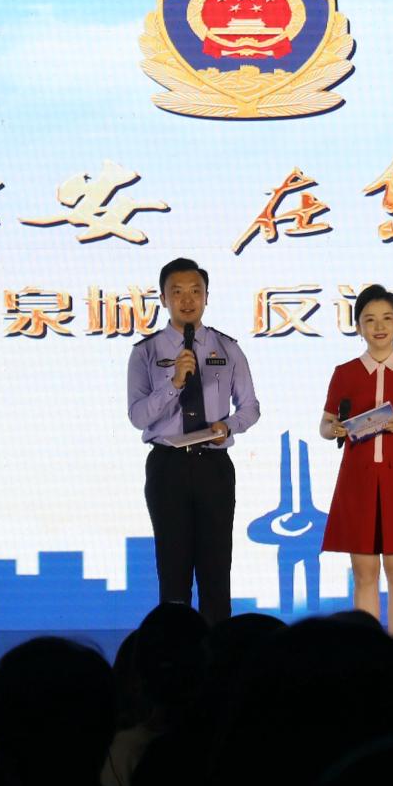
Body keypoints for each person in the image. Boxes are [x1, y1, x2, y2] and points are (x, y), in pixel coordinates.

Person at [126, 257, 260, 625]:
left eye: (195, 291)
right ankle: (176, 651)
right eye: (177, 292)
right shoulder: (146, 352)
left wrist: (228, 426)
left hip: (213, 464)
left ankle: (219, 651)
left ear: (206, 297)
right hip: (167, 465)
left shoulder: (227, 347)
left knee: (216, 570)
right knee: (173, 570)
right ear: (163, 299)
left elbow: (250, 408)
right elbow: (137, 416)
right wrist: (174, 384)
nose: (187, 300)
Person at [318, 284, 393, 634]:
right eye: (369, 319)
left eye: (387, 318)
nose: (379, 326)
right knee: (364, 574)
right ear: (358, 326)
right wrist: (334, 429)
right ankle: (368, 648)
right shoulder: (345, 373)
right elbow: (325, 426)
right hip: (357, 482)